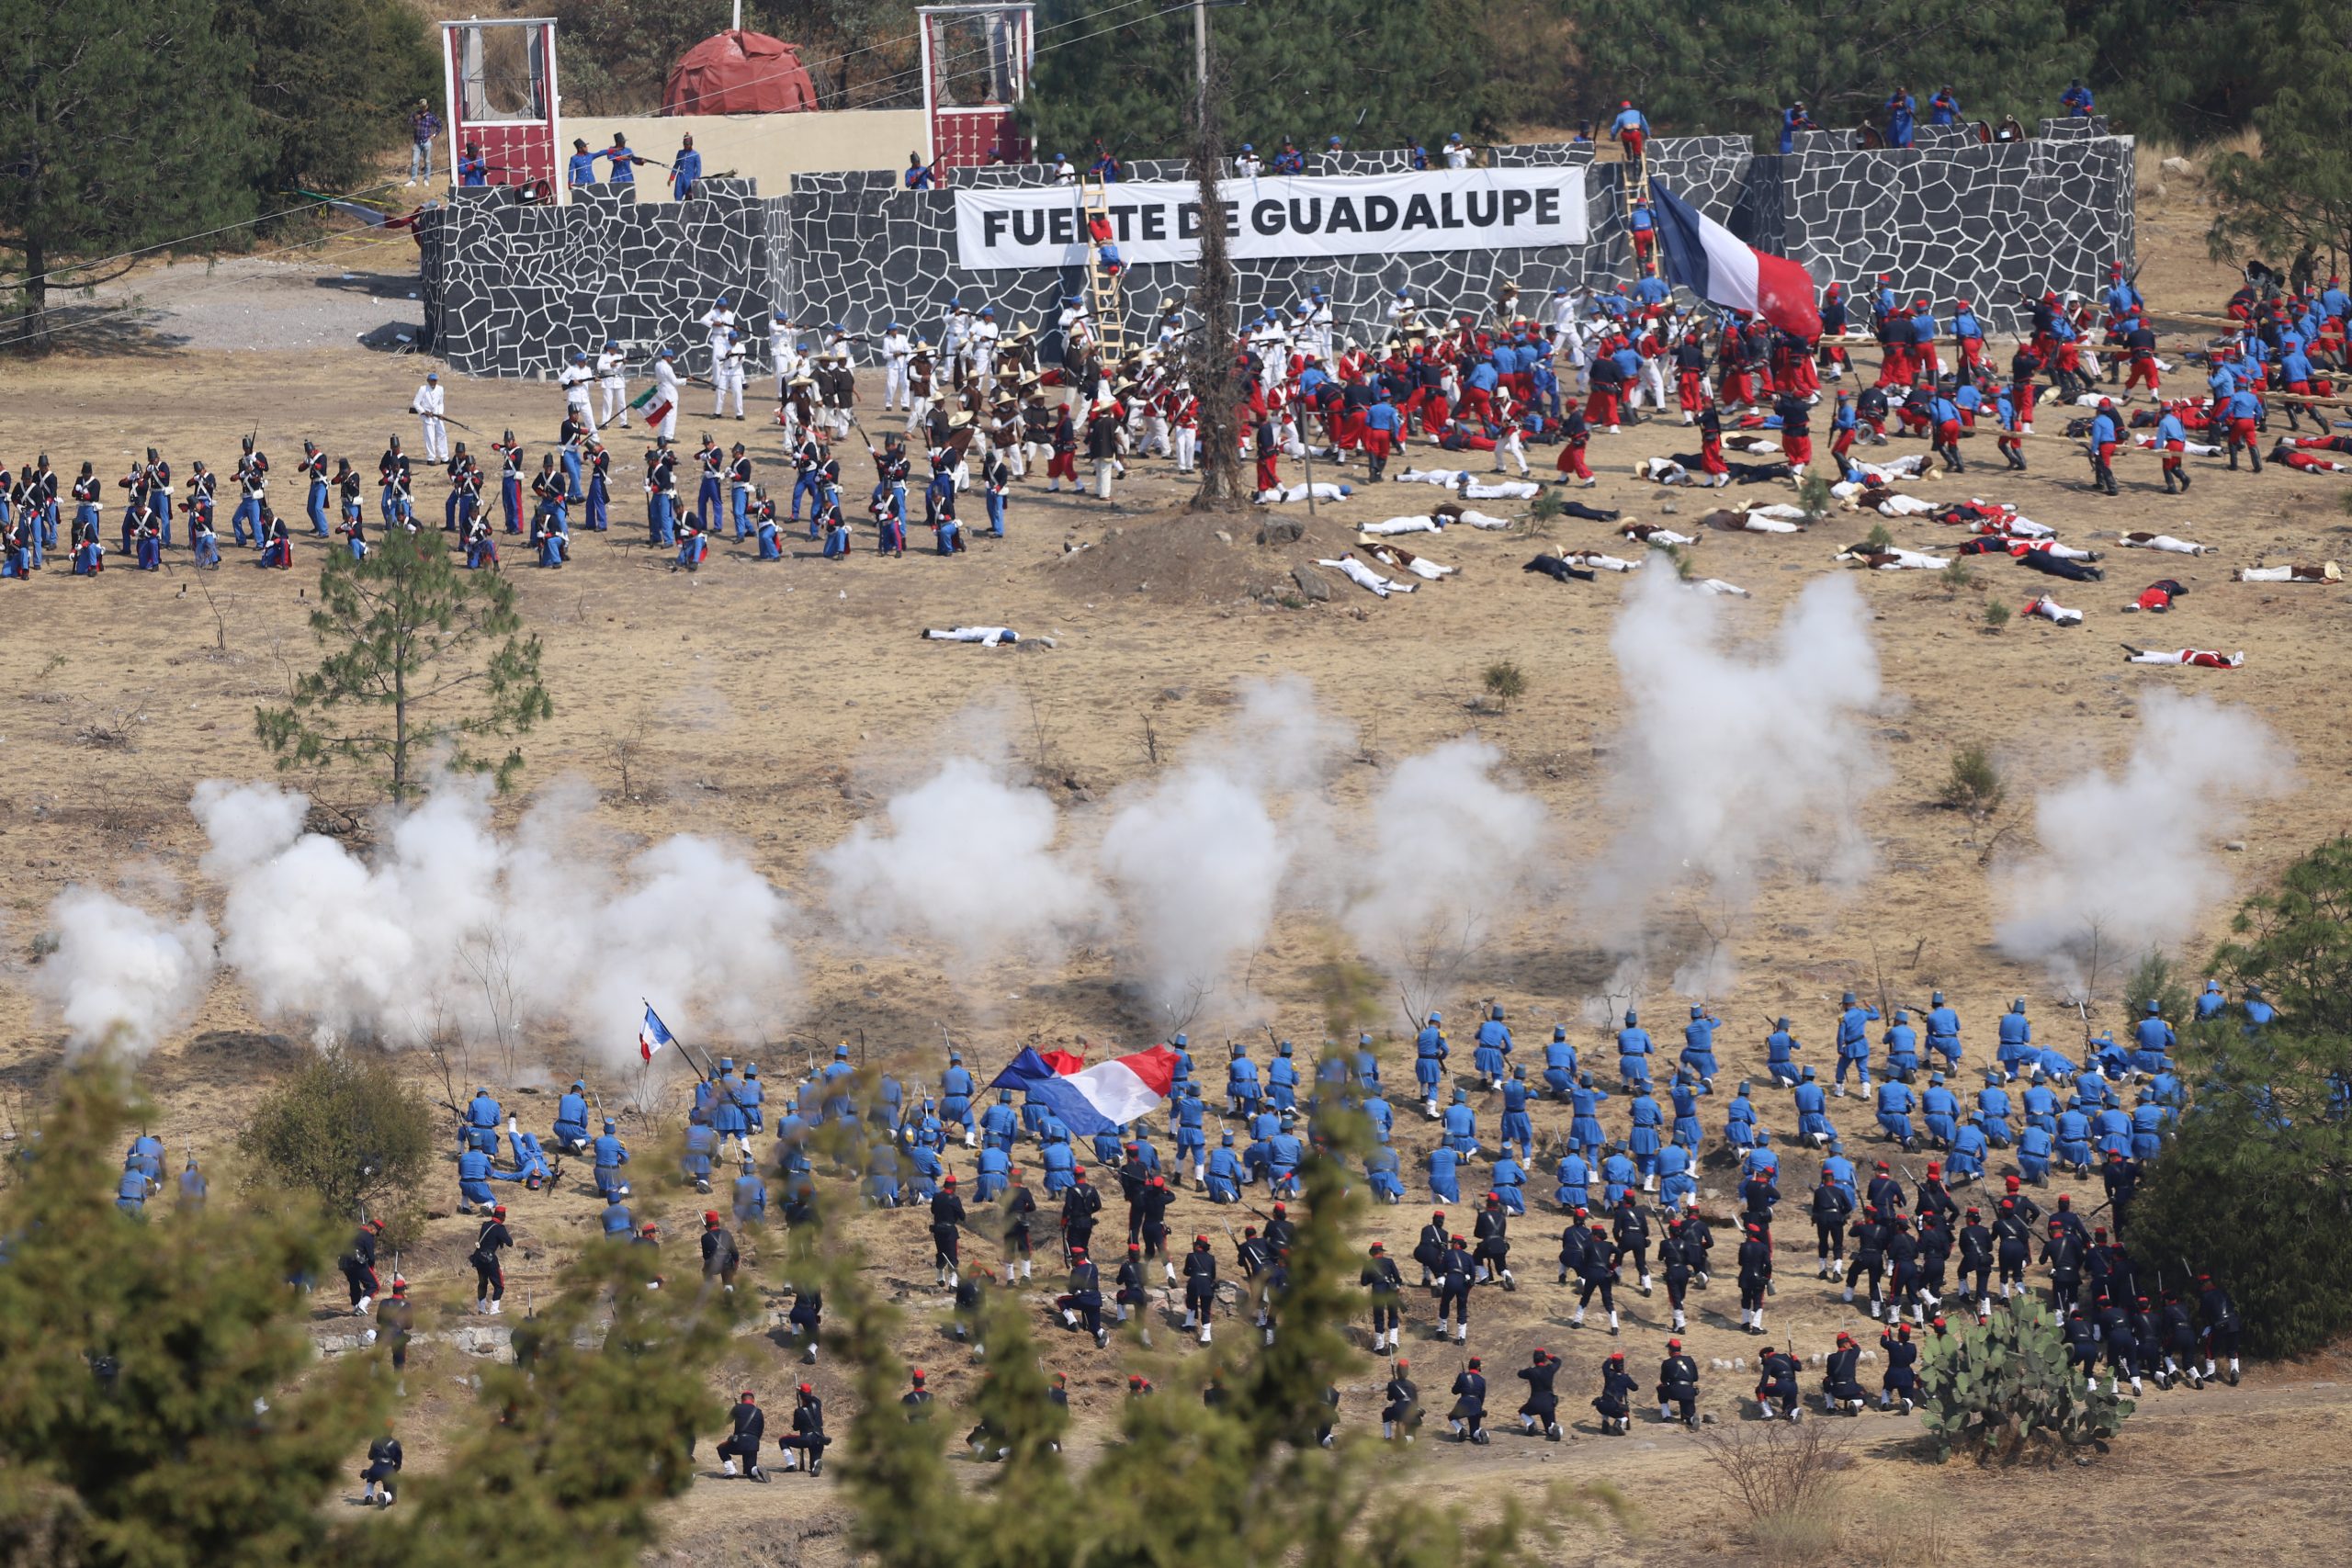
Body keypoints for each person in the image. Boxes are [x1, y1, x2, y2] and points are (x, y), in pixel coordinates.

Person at [470, 1204, 513, 1313]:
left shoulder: (485, 1224)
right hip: (489, 1260)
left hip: (479, 1258)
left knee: (483, 1283)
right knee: (500, 1285)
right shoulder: (500, 1228)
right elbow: (510, 1243)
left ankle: (481, 1308)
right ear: (503, 1216)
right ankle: (494, 1310)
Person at [361, 1427, 402, 1506]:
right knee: (393, 1498)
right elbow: (398, 1463)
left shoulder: (375, 1441)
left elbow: (370, 1456)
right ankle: (384, 1496)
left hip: (374, 1469)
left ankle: (368, 1496)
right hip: (388, 1470)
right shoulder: (396, 1443)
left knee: (370, 1476)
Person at [413, 372, 448, 463]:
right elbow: (416, 403)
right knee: (430, 437)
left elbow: (440, 403)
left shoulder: (440, 389)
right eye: (432, 380)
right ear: (428, 381)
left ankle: (444, 457)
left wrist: (440, 413)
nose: (433, 382)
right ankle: (431, 458)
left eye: (435, 380)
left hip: (437, 417)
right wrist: (424, 412)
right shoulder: (423, 389)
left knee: (442, 435)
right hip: (427, 418)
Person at [408, 101, 440, 186]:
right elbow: (409, 122)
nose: (423, 108)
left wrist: (434, 135)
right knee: (414, 161)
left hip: (426, 141)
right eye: (421, 107)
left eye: (424, 107)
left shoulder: (431, 116)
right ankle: (413, 180)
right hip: (417, 142)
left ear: (427, 107)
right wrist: (416, 118)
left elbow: (439, 125)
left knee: (427, 161)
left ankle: (426, 179)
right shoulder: (415, 115)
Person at [670, 133, 702, 199]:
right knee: (677, 196)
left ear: (691, 144)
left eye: (687, 144)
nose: (686, 146)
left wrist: (695, 182)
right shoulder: (680, 153)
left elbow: (698, 170)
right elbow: (676, 166)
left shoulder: (696, 155)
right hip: (680, 179)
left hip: (690, 180)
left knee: (689, 198)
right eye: (684, 144)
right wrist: (671, 178)